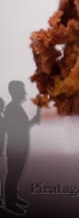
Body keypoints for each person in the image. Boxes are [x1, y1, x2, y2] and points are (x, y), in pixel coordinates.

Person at [3, 81, 40, 215]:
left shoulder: (15, 107)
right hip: (15, 147)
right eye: (22, 89)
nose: (24, 92)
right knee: (13, 174)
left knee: (16, 174)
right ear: (16, 92)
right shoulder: (12, 108)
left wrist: (33, 121)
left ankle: (13, 197)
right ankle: (9, 203)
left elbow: (21, 126)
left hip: (19, 146)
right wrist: (31, 122)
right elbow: (16, 128)